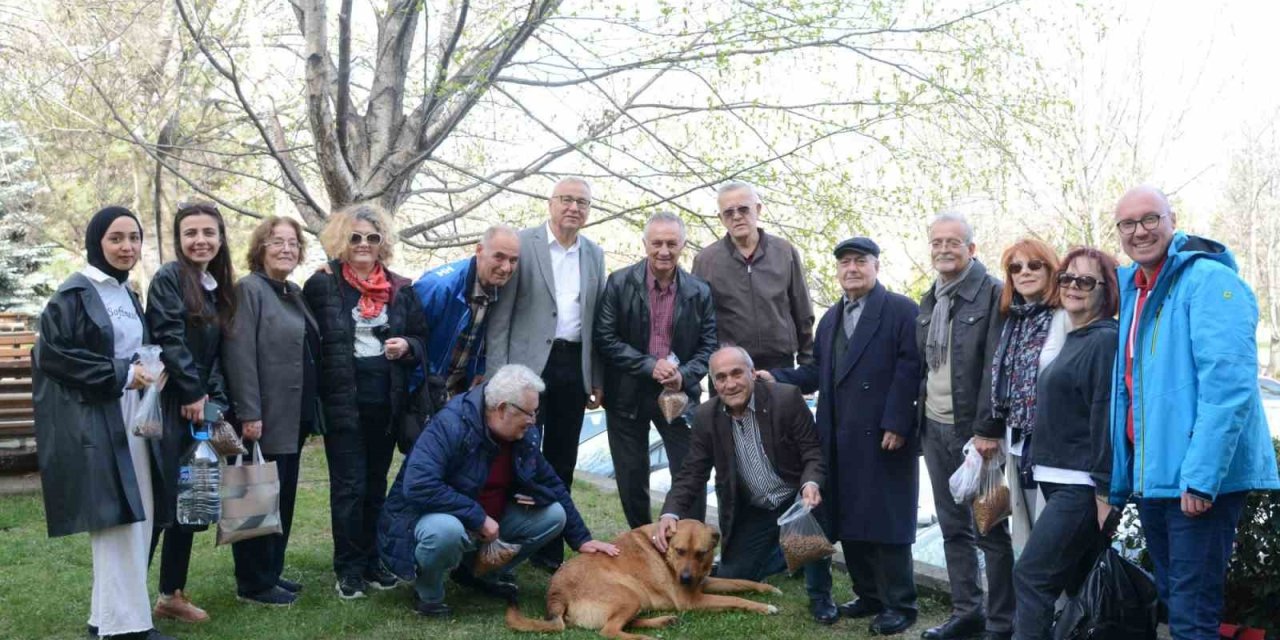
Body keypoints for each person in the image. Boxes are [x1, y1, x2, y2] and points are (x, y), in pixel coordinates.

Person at [1108, 186, 1280, 639]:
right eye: (1128, 223)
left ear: (1172, 219)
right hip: (1159, 477)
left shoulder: (1208, 281)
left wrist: (1202, 478)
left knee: (1191, 614)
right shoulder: (1137, 289)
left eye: (1150, 219)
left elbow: (1229, 388)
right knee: (1178, 602)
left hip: (1196, 481)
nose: (1139, 231)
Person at [763, 237, 923, 635]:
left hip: (886, 435)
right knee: (852, 520)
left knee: (887, 524)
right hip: (839, 437)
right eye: (845, 263)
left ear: (876, 267)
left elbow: (911, 369)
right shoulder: (831, 318)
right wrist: (776, 377)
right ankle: (868, 595)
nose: (851, 269)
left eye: (860, 262)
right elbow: (817, 374)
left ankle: (900, 605)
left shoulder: (902, 310)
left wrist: (898, 422)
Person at [376, 364, 619, 618]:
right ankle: (429, 593)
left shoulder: (522, 435)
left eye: (536, 412)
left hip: (488, 522)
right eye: (530, 413)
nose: (534, 420)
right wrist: (478, 517)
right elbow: (418, 484)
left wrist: (582, 539)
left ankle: (479, 573)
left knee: (554, 515)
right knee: (445, 532)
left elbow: (551, 483)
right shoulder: (450, 424)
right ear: (502, 409)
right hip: (433, 520)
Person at [33, 207, 173, 640]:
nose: (127, 247)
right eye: (116, 238)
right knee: (117, 521)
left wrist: (150, 365)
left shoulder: (126, 293)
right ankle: (127, 628)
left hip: (133, 419)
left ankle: (105, 620)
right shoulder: (74, 294)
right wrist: (124, 374)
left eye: (133, 238)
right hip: (99, 421)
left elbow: (126, 348)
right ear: (97, 241)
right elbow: (54, 358)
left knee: (139, 518)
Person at [303, 204, 430, 600]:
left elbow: (421, 340)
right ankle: (349, 568)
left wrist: (406, 345)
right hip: (343, 403)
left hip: (385, 403)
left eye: (371, 238)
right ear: (342, 241)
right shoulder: (323, 285)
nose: (363, 244)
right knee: (349, 488)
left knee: (376, 485)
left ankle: (374, 559)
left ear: (382, 244)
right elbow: (308, 341)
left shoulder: (401, 288)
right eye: (354, 237)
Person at [485, 178, 607, 572]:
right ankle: (503, 539)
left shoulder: (594, 254)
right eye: (567, 200)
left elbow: (595, 322)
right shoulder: (524, 244)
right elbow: (501, 318)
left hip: (573, 365)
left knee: (562, 455)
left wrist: (595, 377)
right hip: (526, 367)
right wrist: (497, 378)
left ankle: (551, 547)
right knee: (517, 453)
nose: (574, 207)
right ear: (551, 203)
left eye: (582, 202)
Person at [656, 347, 827, 620]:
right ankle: (787, 553)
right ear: (714, 383)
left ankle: (819, 594)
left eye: (737, 373)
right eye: (721, 377)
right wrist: (670, 512)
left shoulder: (786, 398)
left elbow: (812, 453)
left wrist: (811, 484)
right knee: (733, 575)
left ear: (752, 373)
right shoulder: (705, 416)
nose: (730, 383)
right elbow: (692, 472)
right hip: (755, 509)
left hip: (795, 500)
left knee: (809, 540)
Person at [1011, 247, 1120, 639]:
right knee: (1078, 585)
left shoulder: (1104, 340)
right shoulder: (1078, 336)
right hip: (1057, 479)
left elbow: (1104, 416)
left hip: (1081, 486)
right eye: (1068, 278)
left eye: (1086, 280)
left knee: (1031, 576)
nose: (1073, 286)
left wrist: (1106, 493)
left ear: (1106, 290)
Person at [916, 212, 1013, 640]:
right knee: (953, 527)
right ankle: (965, 613)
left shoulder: (992, 294)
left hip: (976, 435)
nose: (943, 249)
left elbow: (997, 365)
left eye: (953, 242)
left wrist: (988, 428)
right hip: (933, 427)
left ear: (972, 249)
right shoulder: (930, 299)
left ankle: (1001, 621)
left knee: (989, 528)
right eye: (937, 242)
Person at [594, 211, 718, 529]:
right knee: (631, 473)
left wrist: (685, 374)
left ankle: (689, 540)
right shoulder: (619, 283)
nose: (664, 250)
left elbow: (709, 346)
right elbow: (605, 338)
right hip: (627, 392)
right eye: (657, 243)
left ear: (683, 245)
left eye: (672, 243)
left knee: (690, 469)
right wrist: (649, 365)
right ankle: (643, 538)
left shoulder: (699, 291)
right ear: (645, 243)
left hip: (679, 394)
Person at [222, 216, 320, 606]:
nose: (286, 249)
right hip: (261, 416)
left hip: (292, 414)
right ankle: (253, 583)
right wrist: (248, 412)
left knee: (281, 496)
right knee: (254, 495)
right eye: (277, 242)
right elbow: (239, 353)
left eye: (293, 243)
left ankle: (271, 572)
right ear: (260, 248)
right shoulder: (249, 290)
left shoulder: (291, 291)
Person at [147, 201, 237, 624]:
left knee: (190, 500)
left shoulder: (215, 285)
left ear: (220, 238)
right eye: (191, 233)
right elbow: (168, 337)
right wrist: (193, 391)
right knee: (162, 506)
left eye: (208, 232)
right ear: (179, 239)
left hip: (199, 408)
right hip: (172, 406)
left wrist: (211, 401)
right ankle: (125, 598)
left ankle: (171, 594)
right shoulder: (168, 279)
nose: (200, 240)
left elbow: (216, 352)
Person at [973, 238, 1072, 554]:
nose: (1024, 272)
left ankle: (1065, 606)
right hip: (1017, 446)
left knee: (1055, 545)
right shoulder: (1012, 322)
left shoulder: (1065, 316)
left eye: (1034, 265)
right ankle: (1033, 606)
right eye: (1015, 267)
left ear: (1051, 269)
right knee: (1026, 542)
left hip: (1057, 449)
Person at [692, 181, 815, 372]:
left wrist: (808, 364)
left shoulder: (784, 252)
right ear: (720, 218)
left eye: (743, 209)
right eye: (729, 212)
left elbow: (803, 310)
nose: (737, 217)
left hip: (779, 365)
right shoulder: (706, 261)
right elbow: (698, 321)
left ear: (757, 209)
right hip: (728, 368)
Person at [414, 225, 520, 397]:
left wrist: (480, 369)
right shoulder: (439, 287)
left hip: (459, 391)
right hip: (423, 390)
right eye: (499, 257)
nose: (506, 268)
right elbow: (409, 343)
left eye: (513, 260)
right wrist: (425, 389)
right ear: (479, 250)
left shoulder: (500, 290)